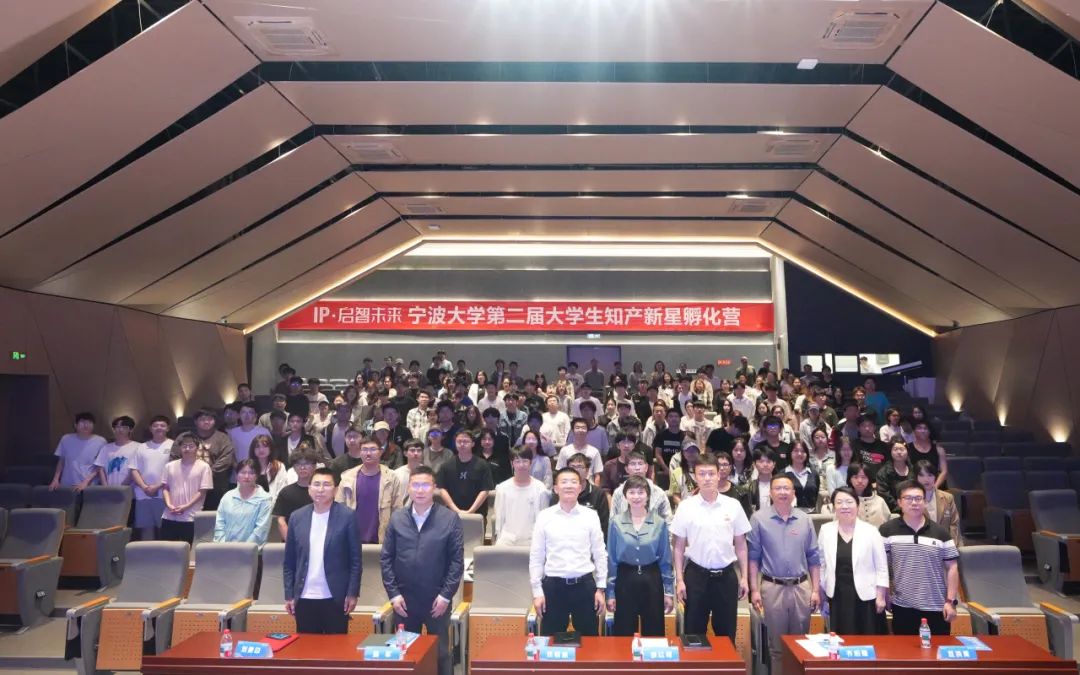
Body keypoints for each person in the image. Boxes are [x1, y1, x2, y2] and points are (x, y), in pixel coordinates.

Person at [381, 467, 465, 675]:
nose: (420, 490)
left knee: (441, 653)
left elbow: (456, 562)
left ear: (434, 488)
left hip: (437, 600)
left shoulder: (449, 518)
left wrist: (446, 596)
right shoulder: (397, 518)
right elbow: (386, 559)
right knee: (408, 654)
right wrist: (394, 594)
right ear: (409, 488)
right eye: (416, 485)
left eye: (426, 485)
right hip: (404, 600)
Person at [672, 452, 751, 644]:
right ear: (695, 476)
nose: (707, 478)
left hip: (726, 577)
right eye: (702, 474)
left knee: (726, 635)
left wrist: (744, 578)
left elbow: (741, 545)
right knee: (693, 636)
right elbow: (678, 547)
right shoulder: (686, 507)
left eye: (711, 473)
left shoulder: (733, 505)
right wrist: (680, 580)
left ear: (719, 474)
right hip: (696, 576)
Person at [748, 474, 821, 675]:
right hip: (772, 588)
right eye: (778, 488)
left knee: (800, 644)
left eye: (786, 488)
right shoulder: (759, 519)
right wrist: (754, 590)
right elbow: (753, 558)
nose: (782, 492)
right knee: (777, 647)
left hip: (801, 588)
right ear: (770, 493)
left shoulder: (805, 519)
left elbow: (814, 557)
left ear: (794, 493)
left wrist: (815, 590)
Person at [530, 467, 608, 637]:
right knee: (551, 641)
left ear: (580, 488)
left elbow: (599, 553)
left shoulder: (590, 515)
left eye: (574, 482)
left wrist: (601, 588)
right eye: (564, 482)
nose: (569, 486)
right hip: (553, 587)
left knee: (589, 641)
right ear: (555, 488)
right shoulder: (544, 516)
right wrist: (537, 592)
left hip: (584, 586)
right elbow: (536, 556)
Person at [284, 467, 361, 634]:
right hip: (304, 596)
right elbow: (289, 561)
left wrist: (352, 593)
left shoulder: (347, 516)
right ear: (309, 488)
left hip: (336, 597)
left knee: (337, 647)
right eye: (316, 484)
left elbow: (355, 560)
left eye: (326, 485)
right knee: (307, 646)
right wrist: (289, 594)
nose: (320, 489)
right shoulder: (297, 517)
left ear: (335, 490)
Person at [879, 480, 960, 635]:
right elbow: (882, 567)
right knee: (904, 649)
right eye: (908, 498)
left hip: (936, 606)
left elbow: (952, 567)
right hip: (902, 607)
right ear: (899, 502)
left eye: (918, 498)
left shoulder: (941, 533)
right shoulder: (886, 530)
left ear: (925, 502)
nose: (914, 503)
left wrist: (950, 601)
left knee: (937, 649)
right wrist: (885, 594)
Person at [606, 475, 674, 637]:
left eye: (641, 492)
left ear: (648, 495)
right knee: (623, 630)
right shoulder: (616, 522)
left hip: (652, 578)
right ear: (625, 496)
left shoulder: (659, 522)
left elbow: (665, 559)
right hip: (625, 578)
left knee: (654, 630)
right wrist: (610, 593)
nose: (636, 497)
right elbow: (612, 559)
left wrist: (669, 591)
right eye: (632, 492)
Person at [817, 486, 889, 635]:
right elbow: (821, 564)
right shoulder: (826, 530)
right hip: (837, 595)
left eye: (849, 502)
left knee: (869, 638)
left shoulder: (871, 531)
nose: (844, 506)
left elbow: (882, 566)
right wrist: (822, 592)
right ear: (834, 507)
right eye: (839, 502)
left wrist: (881, 596)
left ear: (858, 505)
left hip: (867, 596)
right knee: (841, 639)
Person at [337, 436, 406, 544]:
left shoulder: (391, 478)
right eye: (364, 449)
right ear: (360, 452)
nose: (368, 453)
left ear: (380, 452)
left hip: (382, 540)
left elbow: (397, 511)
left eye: (373, 449)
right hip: (352, 540)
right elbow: (338, 510)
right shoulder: (348, 478)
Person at [159, 432, 213, 544]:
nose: (187, 449)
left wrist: (186, 506)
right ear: (180, 448)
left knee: (187, 549)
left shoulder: (204, 467)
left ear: (197, 448)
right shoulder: (169, 466)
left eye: (191, 446)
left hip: (191, 517)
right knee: (167, 549)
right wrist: (169, 505)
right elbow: (165, 488)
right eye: (184, 446)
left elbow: (202, 491)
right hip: (169, 515)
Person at [493, 448, 551, 546]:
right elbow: (499, 517)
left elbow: (543, 519)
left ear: (530, 463)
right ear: (512, 464)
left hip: (532, 540)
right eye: (517, 461)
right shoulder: (502, 488)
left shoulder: (540, 489)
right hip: (507, 539)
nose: (521, 465)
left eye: (525, 461)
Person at [130, 415, 173, 540]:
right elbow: (134, 469)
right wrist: (145, 487)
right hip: (143, 494)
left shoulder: (174, 445)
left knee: (164, 530)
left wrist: (157, 486)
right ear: (150, 428)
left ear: (168, 428)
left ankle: (164, 553)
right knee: (145, 530)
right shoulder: (141, 447)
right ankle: (147, 553)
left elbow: (175, 470)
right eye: (155, 425)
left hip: (165, 494)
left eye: (162, 425)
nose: (159, 428)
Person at [213, 459, 272, 544]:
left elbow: (261, 530)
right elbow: (219, 524)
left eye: (251, 473)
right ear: (237, 475)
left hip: (251, 550)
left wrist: (244, 549)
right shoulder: (227, 497)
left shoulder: (265, 499)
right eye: (243, 472)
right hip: (225, 548)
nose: (247, 476)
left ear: (257, 476)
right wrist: (222, 546)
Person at [437, 430, 494, 517]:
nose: (462, 444)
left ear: (473, 444)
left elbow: (485, 490)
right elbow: (442, 489)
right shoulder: (446, 465)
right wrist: (456, 510)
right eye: (459, 441)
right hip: (452, 513)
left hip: (477, 513)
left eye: (466, 441)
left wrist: (471, 511)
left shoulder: (483, 465)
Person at [50, 412, 107, 492]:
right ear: (75, 425)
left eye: (89, 422)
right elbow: (61, 461)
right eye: (82, 422)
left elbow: (99, 466)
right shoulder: (66, 439)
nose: (86, 425)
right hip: (67, 484)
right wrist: (55, 479)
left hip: (90, 486)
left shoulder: (101, 441)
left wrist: (85, 482)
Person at [611, 451, 673, 523]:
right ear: (626, 469)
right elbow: (613, 521)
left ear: (646, 467)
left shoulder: (659, 493)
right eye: (633, 464)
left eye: (640, 464)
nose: (637, 468)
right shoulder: (618, 493)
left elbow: (668, 521)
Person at [823, 462, 890, 527]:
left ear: (869, 480)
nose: (860, 481)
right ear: (850, 479)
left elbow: (886, 526)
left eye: (863, 477)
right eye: (855, 477)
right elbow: (836, 526)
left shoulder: (880, 501)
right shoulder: (843, 501)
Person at [273, 448, 317, 540]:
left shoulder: (320, 491)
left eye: (307, 463)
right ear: (293, 467)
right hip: (291, 540)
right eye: (298, 464)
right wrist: (291, 542)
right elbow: (281, 521)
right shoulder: (285, 492)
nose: (302, 467)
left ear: (314, 466)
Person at [915, 460, 961, 545]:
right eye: (921, 475)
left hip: (945, 544)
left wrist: (951, 545)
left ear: (935, 477)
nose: (926, 479)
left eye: (930, 475)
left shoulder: (948, 497)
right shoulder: (912, 499)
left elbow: (954, 524)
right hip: (921, 546)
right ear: (916, 478)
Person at [94, 416, 140, 487]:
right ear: (114, 429)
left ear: (130, 429)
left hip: (130, 489)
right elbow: (100, 468)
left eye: (124, 427)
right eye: (117, 427)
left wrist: (123, 486)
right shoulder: (106, 448)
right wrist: (105, 487)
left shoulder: (138, 447)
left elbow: (137, 469)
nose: (120, 430)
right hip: (109, 488)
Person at [556, 417, 603, 483]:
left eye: (583, 428)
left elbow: (597, 475)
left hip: (589, 485)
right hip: (570, 484)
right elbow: (560, 471)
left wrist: (595, 489)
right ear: (572, 431)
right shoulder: (564, 450)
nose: (580, 430)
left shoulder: (594, 451)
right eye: (577, 428)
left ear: (587, 431)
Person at [875, 438, 912, 513]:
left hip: (913, 508)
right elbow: (883, 494)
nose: (899, 452)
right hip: (892, 512)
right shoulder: (883, 472)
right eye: (895, 449)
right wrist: (901, 509)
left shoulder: (914, 470)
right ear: (890, 452)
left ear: (907, 451)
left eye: (902, 449)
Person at [908, 420, 948, 488]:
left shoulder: (939, 449)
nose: (923, 431)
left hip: (936, 484)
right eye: (919, 428)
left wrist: (934, 487)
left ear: (929, 432)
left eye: (925, 428)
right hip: (914, 485)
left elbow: (944, 472)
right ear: (914, 431)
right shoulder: (907, 448)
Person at [251, 435, 288, 503]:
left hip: (274, 505)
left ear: (271, 448)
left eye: (265, 446)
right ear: (253, 450)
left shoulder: (279, 466)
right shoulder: (248, 467)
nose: (261, 450)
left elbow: (282, 490)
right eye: (257, 446)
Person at [784, 444, 819, 511]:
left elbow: (816, 495)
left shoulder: (814, 473)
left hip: (812, 514)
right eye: (796, 451)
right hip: (789, 513)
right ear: (790, 453)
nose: (799, 454)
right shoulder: (783, 474)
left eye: (803, 451)